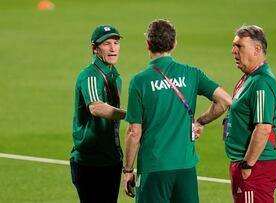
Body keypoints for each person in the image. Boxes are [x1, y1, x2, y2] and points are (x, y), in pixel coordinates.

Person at [123, 19, 232, 203]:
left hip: (154, 168)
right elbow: (225, 100)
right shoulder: (192, 73)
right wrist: (200, 121)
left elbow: (134, 132)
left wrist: (127, 171)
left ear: (147, 44)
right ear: (174, 44)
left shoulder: (139, 82)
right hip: (185, 168)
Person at [224, 25, 276, 203]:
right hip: (246, 163)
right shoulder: (248, 78)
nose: (233, 51)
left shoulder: (261, 82)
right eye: (233, 46)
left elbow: (263, 127)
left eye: (239, 46)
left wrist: (247, 164)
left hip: (256, 165)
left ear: (257, 49)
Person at [70, 25, 127, 203]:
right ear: (94, 48)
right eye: (107, 44)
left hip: (111, 158)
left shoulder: (115, 76)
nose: (113, 48)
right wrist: (132, 114)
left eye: (116, 43)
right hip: (91, 161)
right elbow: (96, 108)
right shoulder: (91, 75)